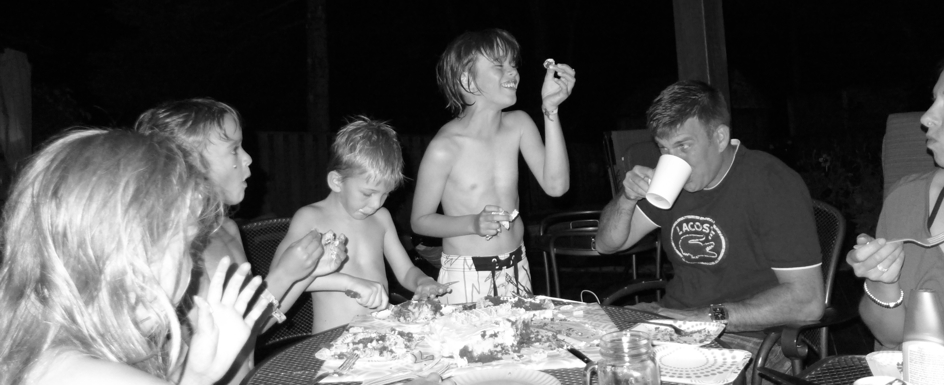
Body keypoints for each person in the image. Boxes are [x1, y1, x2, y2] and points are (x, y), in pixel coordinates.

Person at [0, 129, 268, 385]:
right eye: (189, 246)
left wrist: (197, 377)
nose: (194, 268)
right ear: (144, 257)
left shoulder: (34, 347)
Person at [594, 80, 825, 371]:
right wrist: (627, 198)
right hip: (673, 321)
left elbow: (808, 301)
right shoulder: (671, 181)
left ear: (719, 137)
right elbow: (606, 244)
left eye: (683, 146)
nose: (672, 159)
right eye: (664, 148)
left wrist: (711, 316)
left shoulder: (770, 183)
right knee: (586, 349)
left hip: (753, 336)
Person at [136, 98, 346, 383]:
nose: (247, 158)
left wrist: (306, 274)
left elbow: (254, 326)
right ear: (188, 163)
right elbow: (209, 344)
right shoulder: (175, 248)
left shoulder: (228, 230)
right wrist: (284, 274)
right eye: (234, 149)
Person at [848, 31, 944, 351]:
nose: (927, 117)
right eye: (934, 100)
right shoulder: (910, 202)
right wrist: (881, 281)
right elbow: (890, 338)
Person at [411, 29, 575, 303]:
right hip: (466, 274)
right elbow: (420, 221)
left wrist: (551, 109)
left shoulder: (519, 124)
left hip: (517, 265)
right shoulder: (445, 146)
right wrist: (473, 223)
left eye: (513, 64)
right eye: (499, 65)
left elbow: (557, 187)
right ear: (467, 80)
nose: (513, 72)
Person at [274, 117, 451, 332]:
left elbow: (405, 271)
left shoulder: (381, 218)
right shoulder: (310, 218)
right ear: (337, 182)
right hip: (333, 337)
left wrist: (422, 281)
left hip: (381, 332)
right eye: (368, 193)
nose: (376, 204)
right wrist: (350, 282)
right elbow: (281, 280)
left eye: (385, 194)